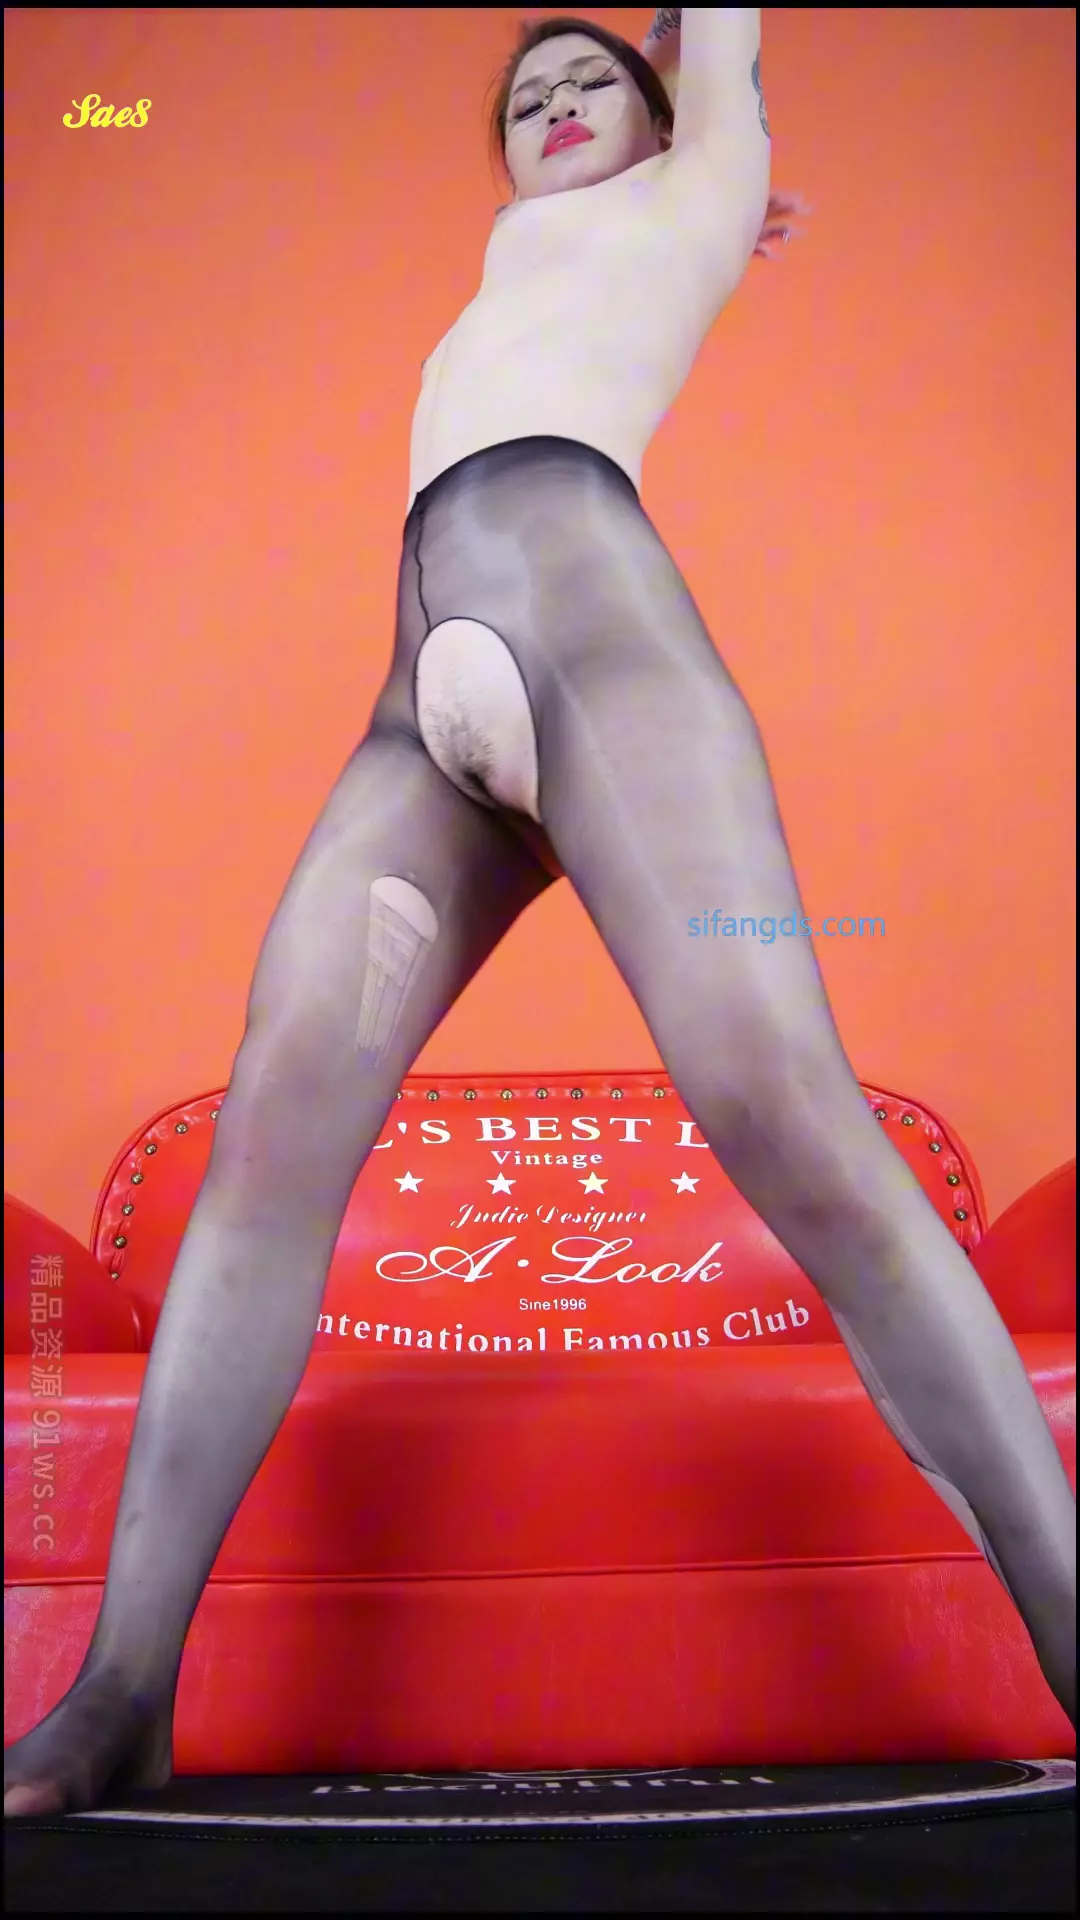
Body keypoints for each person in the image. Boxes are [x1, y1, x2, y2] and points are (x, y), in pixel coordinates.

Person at [5, 7, 1075, 1817]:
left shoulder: (700, 186)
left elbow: (715, 43)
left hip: (605, 655)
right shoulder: (518, 265)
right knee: (272, 1134)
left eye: (598, 81)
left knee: (787, 1113)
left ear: (671, 125)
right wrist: (632, 83)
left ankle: (1072, 1634)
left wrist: (704, 101)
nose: (560, 102)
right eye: (528, 95)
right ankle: (121, 1690)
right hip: (420, 701)